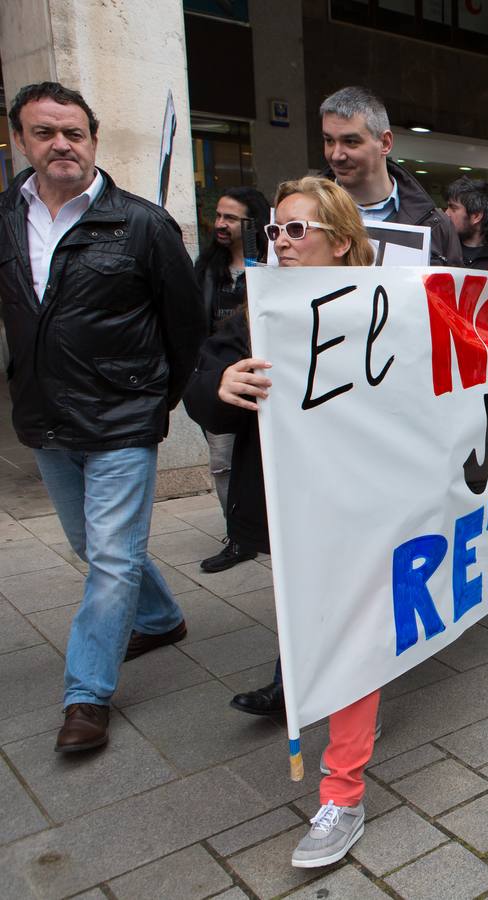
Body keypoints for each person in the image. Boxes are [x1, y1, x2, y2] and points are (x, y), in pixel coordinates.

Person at [0, 82, 207, 753]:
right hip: (45, 420)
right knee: (95, 548)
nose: (61, 144)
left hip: (123, 418)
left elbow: (186, 326)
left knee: (112, 557)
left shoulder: (142, 224)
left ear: (93, 140)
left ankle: (86, 695)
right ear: (19, 141)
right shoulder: (6, 219)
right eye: (44, 132)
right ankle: (162, 616)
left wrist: (155, 399)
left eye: (74, 132)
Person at [185, 177, 378, 868]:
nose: (280, 242)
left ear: (341, 241)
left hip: (367, 506)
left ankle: (342, 794)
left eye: (297, 230)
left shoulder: (391, 308)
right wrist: (220, 385)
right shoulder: (254, 312)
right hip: (295, 513)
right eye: (275, 231)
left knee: (356, 637)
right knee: (322, 627)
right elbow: (203, 383)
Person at [194, 186, 270, 574]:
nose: (221, 224)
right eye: (218, 216)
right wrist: (210, 377)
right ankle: (238, 535)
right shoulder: (207, 269)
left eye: (231, 218)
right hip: (223, 379)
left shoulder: (271, 269)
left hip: (265, 387)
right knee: (223, 464)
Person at [318, 86, 462, 266]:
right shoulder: (300, 216)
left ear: (385, 143)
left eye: (350, 141)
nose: (336, 155)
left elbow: (456, 292)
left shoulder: (436, 225)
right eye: (329, 140)